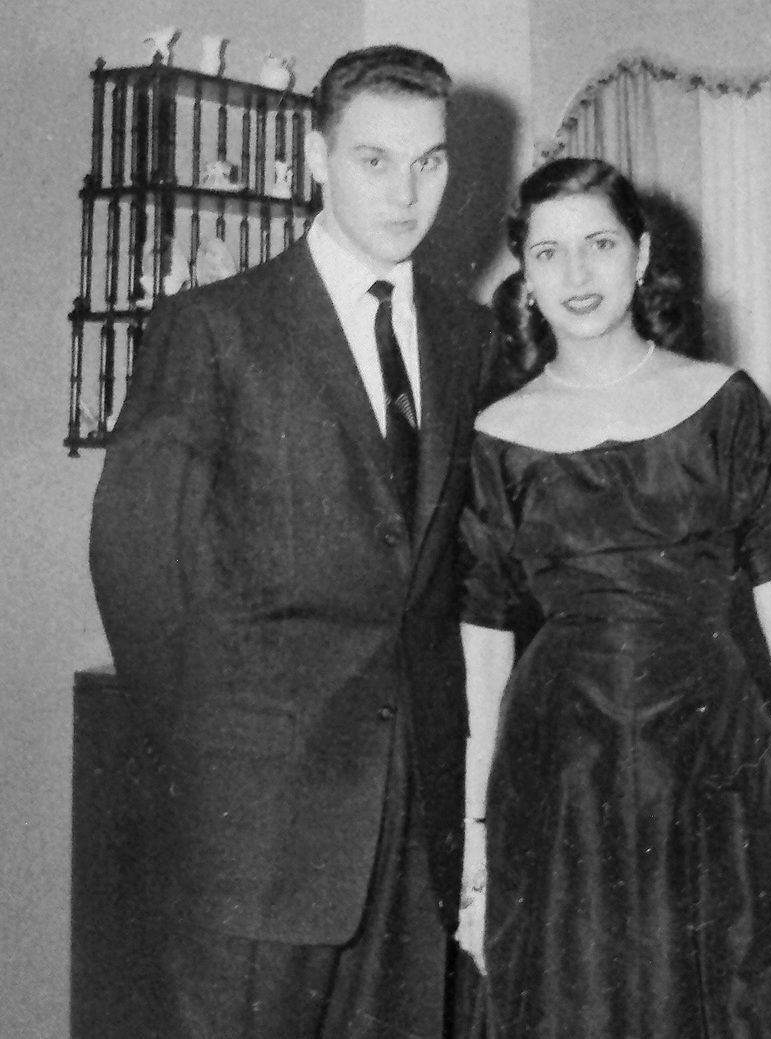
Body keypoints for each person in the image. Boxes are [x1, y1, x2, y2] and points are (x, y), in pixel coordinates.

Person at [89, 44, 494, 1039]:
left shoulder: (470, 335)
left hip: (415, 821)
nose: (406, 192)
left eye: (429, 162)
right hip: (256, 824)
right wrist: (222, 758)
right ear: (316, 158)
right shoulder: (214, 327)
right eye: (374, 160)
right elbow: (134, 567)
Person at [455, 157, 771, 1037]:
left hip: (712, 755)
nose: (576, 273)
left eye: (599, 244)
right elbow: (483, 658)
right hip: (561, 776)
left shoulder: (723, 406)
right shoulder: (494, 438)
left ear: (641, 254)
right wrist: (476, 846)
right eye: (548, 253)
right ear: (526, 278)